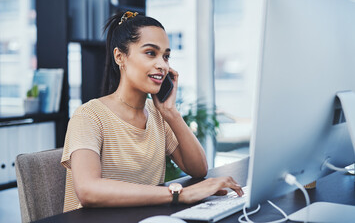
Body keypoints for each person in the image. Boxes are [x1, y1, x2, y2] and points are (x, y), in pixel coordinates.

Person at [61, 11, 243, 212]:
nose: (162, 65)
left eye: (166, 56)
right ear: (120, 57)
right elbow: (88, 190)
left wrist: (171, 112)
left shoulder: (157, 113)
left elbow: (198, 169)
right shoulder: (89, 115)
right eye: (151, 53)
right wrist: (179, 194)